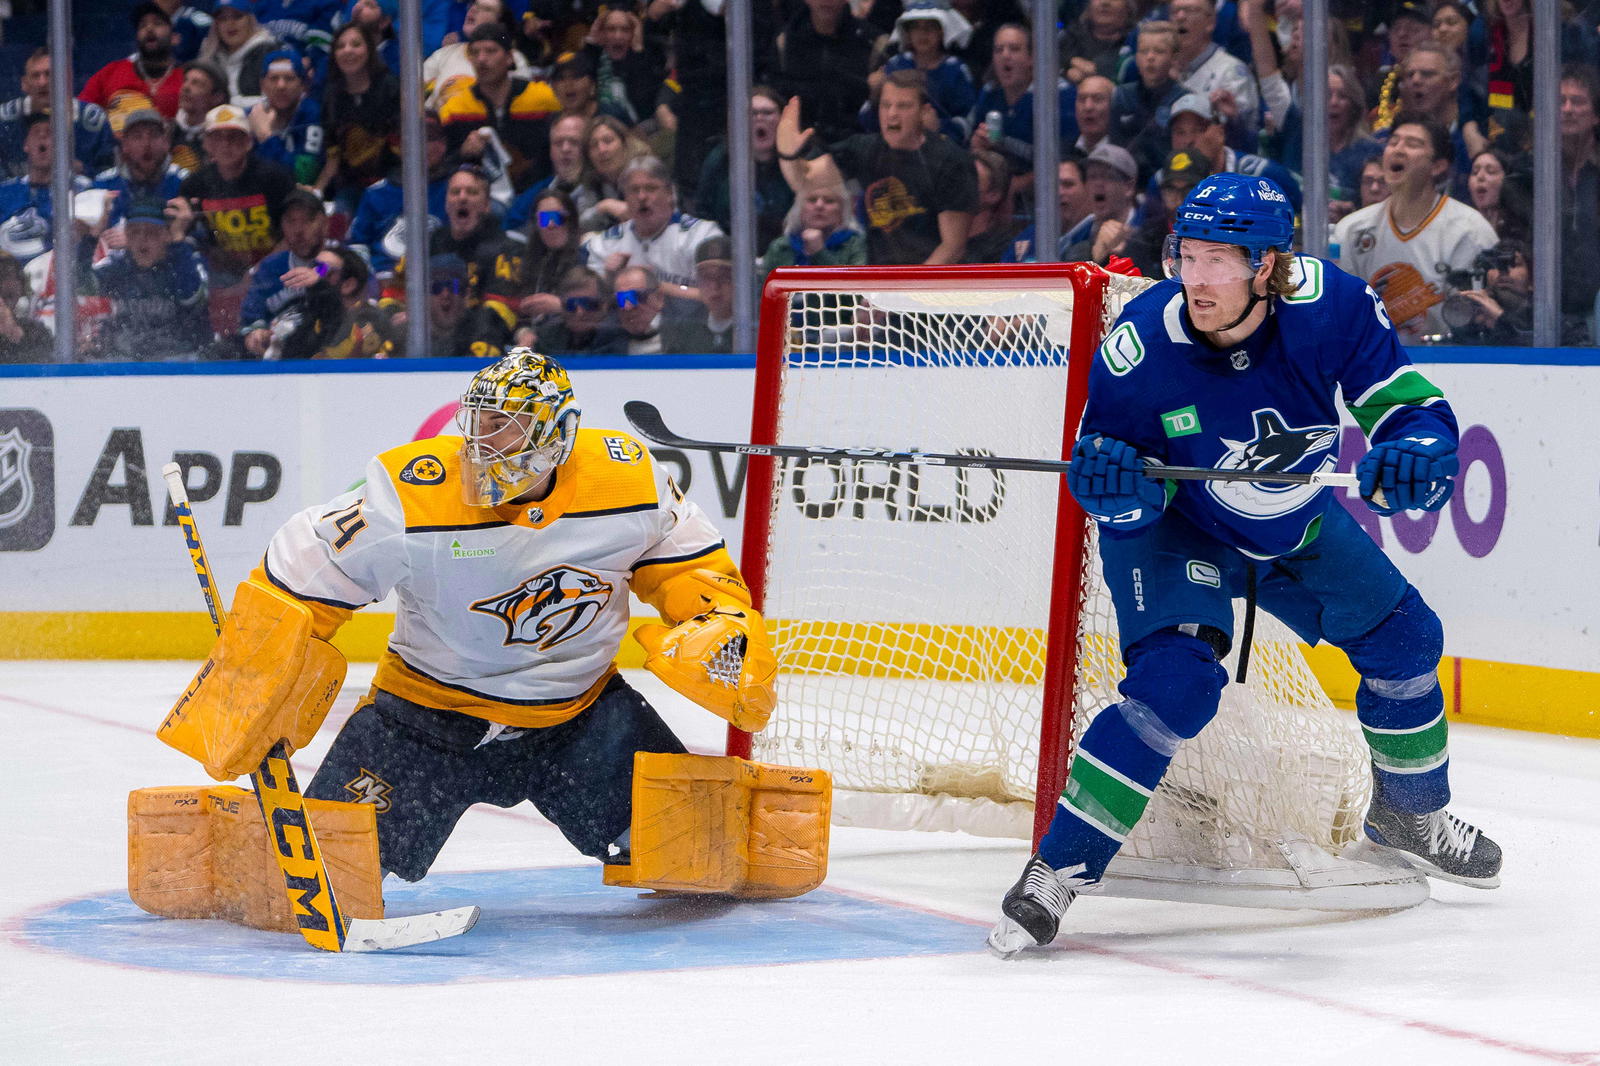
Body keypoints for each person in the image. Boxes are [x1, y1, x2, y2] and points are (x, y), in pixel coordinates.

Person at [987, 173, 1503, 959]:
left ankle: (1409, 814)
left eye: (1218, 260)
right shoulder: (1141, 345)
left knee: (1406, 640)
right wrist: (1117, 495)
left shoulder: (1334, 306)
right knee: (1174, 687)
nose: (1195, 278)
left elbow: (1407, 407)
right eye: (1186, 255)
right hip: (1179, 528)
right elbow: (1114, 486)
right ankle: (1058, 870)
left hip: (1288, 519)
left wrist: (1418, 449)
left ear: (1269, 266)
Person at [153, 349, 822, 911]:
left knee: (698, 858)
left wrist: (718, 624)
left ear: (557, 435)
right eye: (477, 424)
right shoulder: (409, 493)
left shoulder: (630, 479)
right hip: (424, 725)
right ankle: (216, 843)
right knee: (306, 886)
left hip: (582, 720)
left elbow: (693, 570)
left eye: (504, 430)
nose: (481, 445)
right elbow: (303, 571)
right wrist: (260, 660)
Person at [779, 70, 979, 266]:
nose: (892, 114)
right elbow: (803, 181)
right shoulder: (864, 148)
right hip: (880, 282)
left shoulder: (951, 160)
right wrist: (788, 153)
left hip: (935, 285)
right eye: (886, 105)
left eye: (903, 106)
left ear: (923, 112)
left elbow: (952, 247)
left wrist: (908, 293)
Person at [1333, 113, 1497, 344]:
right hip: (1372, 366)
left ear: (1438, 166)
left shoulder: (1470, 231)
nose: (1398, 150)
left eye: (1413, 144)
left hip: (1447, 365)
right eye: (1393, 142)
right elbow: (1339, 312)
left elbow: (1476, 321)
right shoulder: (1351, 230)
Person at [580, 156, 724, 312]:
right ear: (625, 198)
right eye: (634, 190)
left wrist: (656, 287)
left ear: (670, 193)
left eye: (651, 188)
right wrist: (610, 281)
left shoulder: (701, 237)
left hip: (692, 331)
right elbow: (588, 311)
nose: (641, 197)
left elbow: (721, 298)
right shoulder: (606, 244)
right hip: (630, 333)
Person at [80, 197, 212, 362]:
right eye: (134, 232)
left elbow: (191, 297)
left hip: (178, 362)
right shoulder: (120, 266)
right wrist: (92, 236)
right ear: (127, 236)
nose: (142, 239)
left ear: (166, 235)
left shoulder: (187, 259)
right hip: (126, 361)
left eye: (151, 232)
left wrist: (178, 240)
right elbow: (81, 284)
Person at [438, 24, 561, 193]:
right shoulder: (454, 109)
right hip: (480, 203)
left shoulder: (544, 99)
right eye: (475, 52)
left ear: (509, 57)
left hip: (539, 196)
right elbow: (441, 166)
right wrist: (463, 153)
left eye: (490, 51)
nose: (481, 59)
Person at [694, 88, 796, 255]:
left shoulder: (798, 159)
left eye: (768, 112)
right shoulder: (720, 159)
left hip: (787, 253)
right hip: (729, 253)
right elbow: (703, 212)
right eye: (752, 113)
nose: (760, 118)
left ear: (782, 119)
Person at [238, 187, 336, 357]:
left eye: (308, 220)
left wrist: (321, 271)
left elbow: (346, 269)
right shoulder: (271, 268)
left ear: (324, 223)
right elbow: (252, 313)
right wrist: (256, 333)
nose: (298, 230)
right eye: (291, 221)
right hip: (284, 359)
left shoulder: (342, 257)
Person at [862, 1, 978, 143]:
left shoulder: (956, 70)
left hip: (941, 152)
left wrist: (939, 127)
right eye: (916, 27)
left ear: (941, 30)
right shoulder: (896, 64)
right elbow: (867, 121)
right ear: (908, 33)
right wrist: (875, 94)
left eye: (930, 27)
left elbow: (968, 123)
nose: (923, 33)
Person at [317, 23, 402, 215]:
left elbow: (404, 148)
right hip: (350, 187)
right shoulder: (331, 95)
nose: (348, 51)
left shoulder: (390, 87)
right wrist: (317, 190)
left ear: (369, 50)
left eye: (355, 44)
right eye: (340, 46)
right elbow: (333, 155)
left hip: (393, 182)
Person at [0, 50, 119, 181]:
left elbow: (109, 175)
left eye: (49, 74)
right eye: (35, 76)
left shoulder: (93, 122)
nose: (42, 82)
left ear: (65, 79)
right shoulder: (4, 120)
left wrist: (84, 170)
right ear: (24, 84)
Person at [79, 3, 187, 120]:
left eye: (158, 23)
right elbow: (82, 113)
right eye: (142, 25)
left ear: (174, 38)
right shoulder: (111, 73)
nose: (149, 28)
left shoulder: (187, 78)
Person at [758, 175, 866, 274]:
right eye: (812, 200)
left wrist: (819, 253)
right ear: (800, 209)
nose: (819, 205)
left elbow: (853, 292)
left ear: (842, 211)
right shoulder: (780, 247)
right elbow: (765, 290)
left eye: (829, 201)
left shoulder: (855, 244)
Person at [249, 49, 325, 185]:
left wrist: (266, 137)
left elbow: (304, 175)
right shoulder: (251, 115)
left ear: (303, 84)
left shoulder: (313, 115)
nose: (281, 86)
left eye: (289, 79)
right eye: (273, 79)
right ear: (262, 85)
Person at [198, 0, 283, 109]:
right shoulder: (210, 57)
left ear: (250, 20)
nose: (230, 24)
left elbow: (273, 100)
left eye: (237, 17)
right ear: (216, 25)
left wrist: (226, 105)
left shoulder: (268, 52)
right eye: (223, 19)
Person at [660, 236, 735, 353]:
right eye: (706, 277)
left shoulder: (760, 327)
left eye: (724, 277)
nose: (715, 286)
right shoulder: (685, 330)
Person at [535, 265, 628, 354]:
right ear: (562, 306)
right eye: (571, 305)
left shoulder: (616, 335)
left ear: (604, 305)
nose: (580, 312)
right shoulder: (548, 336)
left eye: (589, 304)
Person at [170, 59, 231, 172]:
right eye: (185, 81)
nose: (186, 87)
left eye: (197, 84)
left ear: (217, 97)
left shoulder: (224, 137)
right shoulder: (168, 130)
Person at [0, 250, 53, 364]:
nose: (5, 284)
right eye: (2, 276)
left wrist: (15, 334)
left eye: (12, 276)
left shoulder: (34, 331)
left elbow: (46, 368)